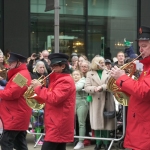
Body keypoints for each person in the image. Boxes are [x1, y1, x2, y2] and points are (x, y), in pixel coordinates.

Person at [110, 26, 150, 149]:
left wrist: (122, 78)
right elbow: (137, 90)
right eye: (140, 46)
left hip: (145, 128)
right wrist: (120, 84)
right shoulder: (145, 67)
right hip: (140, 126)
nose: (140, 50)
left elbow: (143, 91)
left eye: (144, 46)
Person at [31, 53, 76, 150]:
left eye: (55, 66)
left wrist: (39, 88)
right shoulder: (56, 79)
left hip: (59, 122)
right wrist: (36, 95)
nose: (52, 68)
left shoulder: (65, 80)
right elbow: (49, 98)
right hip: (55, 120)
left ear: (63, 66)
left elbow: (54, 98)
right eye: (51, 66)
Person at [0, 52, 32, 150]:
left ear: (18, 63)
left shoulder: (21, 76)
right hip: (17, 114)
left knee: (6, 141)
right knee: (19, 143)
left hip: (16, 114)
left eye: (11, 63)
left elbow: (12, 94)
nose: (8, 65)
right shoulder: (20, 74)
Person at [84, 56, 116, 150]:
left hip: (107, 99)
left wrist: (102, 87)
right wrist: (94, 89)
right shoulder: (90, 73)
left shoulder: (108, 72)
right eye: (100, 62)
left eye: (103, 62)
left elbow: (111, 85)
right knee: (97, 124)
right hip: (95, 100)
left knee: (107, 123)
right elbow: (86, 87)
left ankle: (106, 143)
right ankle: (98, 143)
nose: (102, 64)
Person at [72, 70, 88, 150]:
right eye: (74, 74)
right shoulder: (71, 81)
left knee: (81, 123)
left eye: (77, 74)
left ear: (81, 75)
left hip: (82, 102)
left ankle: (81, 142)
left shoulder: (83, 80)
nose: (75, 76)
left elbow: (77, 88)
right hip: (72, 103)